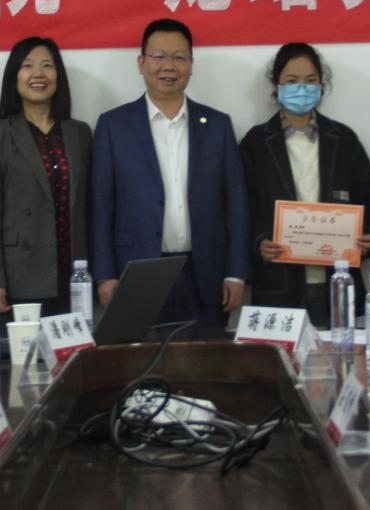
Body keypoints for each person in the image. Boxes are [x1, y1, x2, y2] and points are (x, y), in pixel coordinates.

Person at [90, 18, 250, 327]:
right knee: (142, 357)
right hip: (136, 272)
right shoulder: (113, 126)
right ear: (141, 63)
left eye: (179, 57)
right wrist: (105, 275)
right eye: (159, 57)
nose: (169, 66)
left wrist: (236, 272)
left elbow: (236, 206)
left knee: (206, 356)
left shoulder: (217, 126)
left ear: (191, 64)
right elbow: (101, 206)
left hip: (206, 274)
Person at [240, 43, 370, 327]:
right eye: (291, 81)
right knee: (280, 356)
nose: (301, 89)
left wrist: (368, 235)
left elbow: (367, 197)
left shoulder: (343, 139)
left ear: (321, 86)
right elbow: (242, 206)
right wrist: (259, 243)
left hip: (337, 280)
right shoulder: (255, 143)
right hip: (278, 281)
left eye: (310, 80)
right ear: (276, 86)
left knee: (340, 353)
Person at [0, 37, 92, 316]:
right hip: (19, 275)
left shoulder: (79, 133)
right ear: (14, 76)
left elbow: (90, 205)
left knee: (75, 345)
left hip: (73, 273)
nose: (38, 74)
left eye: (47, 66)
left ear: (58, 75)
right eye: (27, 66)